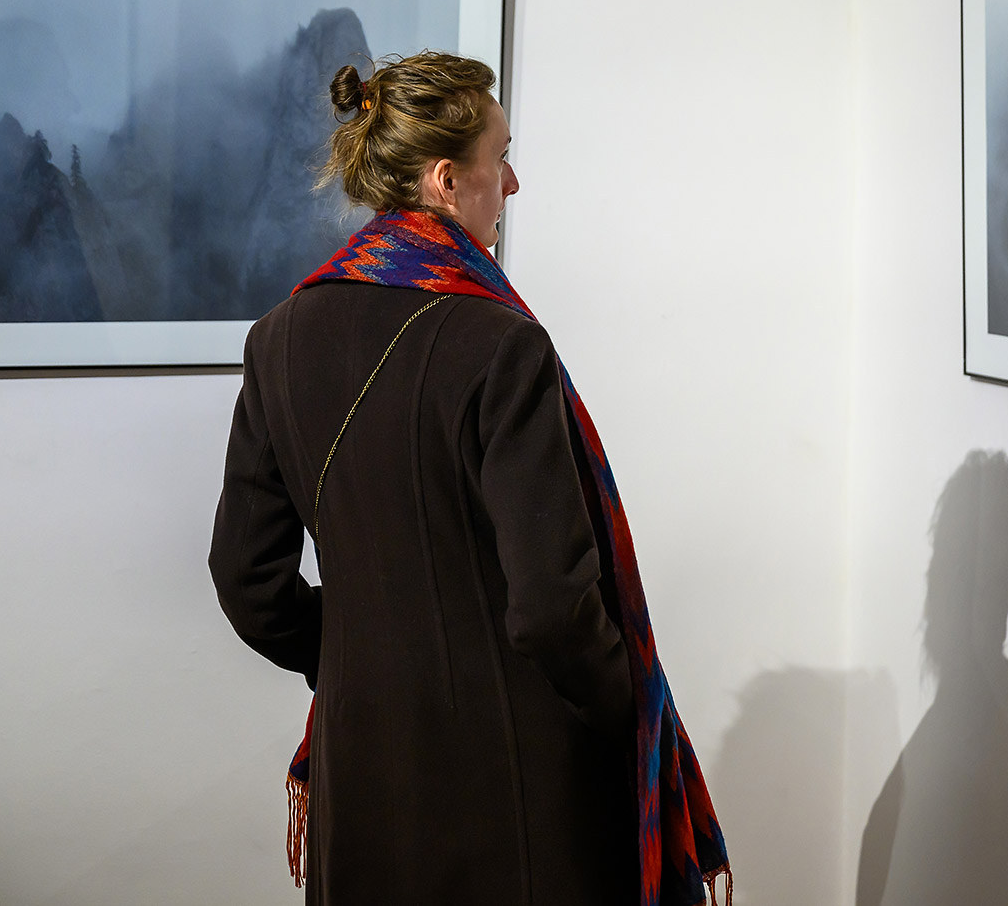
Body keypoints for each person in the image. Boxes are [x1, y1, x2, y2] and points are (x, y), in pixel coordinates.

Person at [209, 52, 729, 906]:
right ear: (448, 180)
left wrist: (356, 650)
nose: (513, 182)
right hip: (512, 798)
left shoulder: (278, 339)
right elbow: (554, 608)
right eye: (502, 157)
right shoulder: (501, 344)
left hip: (360, 785)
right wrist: (628, 707)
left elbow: (246, 581)